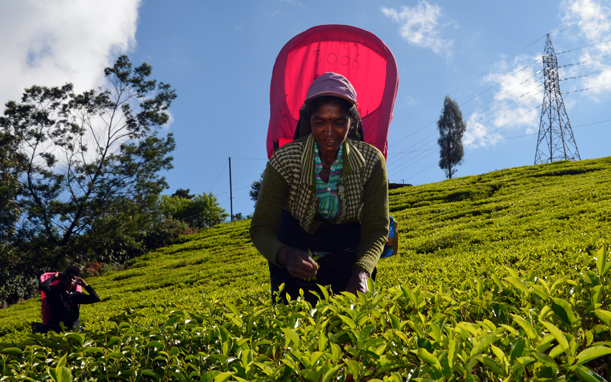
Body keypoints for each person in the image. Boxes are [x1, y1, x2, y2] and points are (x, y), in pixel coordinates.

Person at [250, 72, 389, 304]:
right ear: (308, 121)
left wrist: (362, 272)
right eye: (320, 121)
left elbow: (377, 228)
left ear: (351, 121)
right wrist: (285, 255)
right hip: (294, 262)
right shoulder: (285, 161)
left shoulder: (371, 161)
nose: (329, 132)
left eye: (339, 122)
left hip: (349, 261)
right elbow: (261, 227)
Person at [38, 265, 100, 332]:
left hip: (73, 330)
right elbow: (43, 286)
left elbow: (95, 298)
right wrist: (55, 277)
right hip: (57, 329)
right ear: (62, 279)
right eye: (68, 277)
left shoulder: (76, 295)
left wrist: (85, 285)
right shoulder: (54, 291)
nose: (71, 279)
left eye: (74, 278)